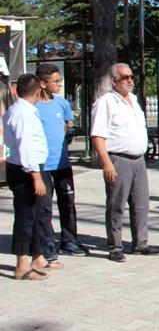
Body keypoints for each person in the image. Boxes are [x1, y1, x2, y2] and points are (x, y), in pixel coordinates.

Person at [91, 63, 159, 262]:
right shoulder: (106, 102)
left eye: (131, 76)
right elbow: (97, 135)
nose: (130, 81)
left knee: (141, 204)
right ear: (114, 81)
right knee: (117, 205)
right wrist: (106, 163)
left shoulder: (134, 99)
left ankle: (141, 243)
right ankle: (115, 246)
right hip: (118, 159)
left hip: (138, 159)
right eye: (125, 77)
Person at [4, 73, 63, 280]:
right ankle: (21, 265)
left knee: (37, 213)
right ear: (38, 91)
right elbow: (26, 146)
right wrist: (36, 176)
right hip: (26, 170)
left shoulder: (20, 109)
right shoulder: (24, 114)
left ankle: (37, 256)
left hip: (28, 167)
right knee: (25, 217)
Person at [35, 64, 89, 258]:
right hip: (42, 165)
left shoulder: (62, 104)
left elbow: (67, 126)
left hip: (62, 164)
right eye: (55, 81)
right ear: (43, 83)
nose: (59, 84)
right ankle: (47, 244)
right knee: (44, 207)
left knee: (68, 203)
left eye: (60, 80)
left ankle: (69, 241)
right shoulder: (33, 107)